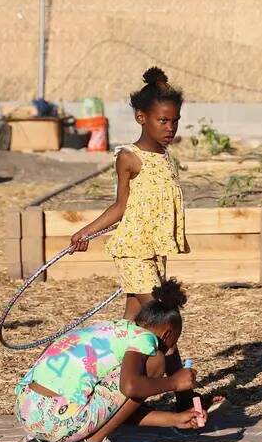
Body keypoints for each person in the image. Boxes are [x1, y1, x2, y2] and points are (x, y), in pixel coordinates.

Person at [12, 280, 208, 442]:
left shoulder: (110, 329)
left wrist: (174, 419)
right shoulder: (145, 339)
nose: (171, 348)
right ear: (167, 334)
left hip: (26, 410)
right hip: (59, 420)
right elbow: (130, 388)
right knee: (155, 363)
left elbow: (117, 408)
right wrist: (174, 382)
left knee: (92, 377)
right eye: (174, 342)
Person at [70, 67, 189, 320]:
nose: (171, 128)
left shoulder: (165, 157)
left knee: (133, 320)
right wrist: (85, 232)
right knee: (164, 317)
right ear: (141, 117)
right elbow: (120, 206)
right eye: (163, 121)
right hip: (134, 252)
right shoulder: (129, 158)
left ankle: (123, 359)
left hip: (155, 252)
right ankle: (170, 361)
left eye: (175, 120)